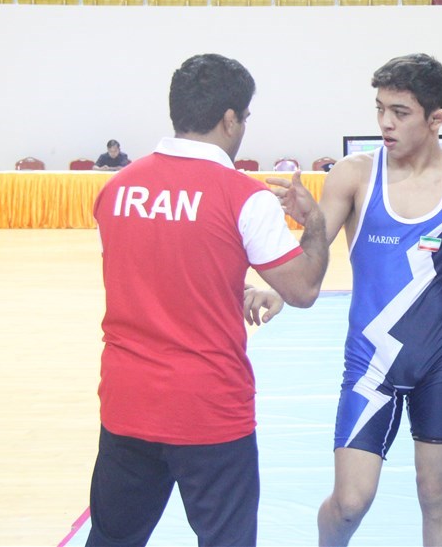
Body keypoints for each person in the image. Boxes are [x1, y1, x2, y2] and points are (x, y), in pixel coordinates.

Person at [86, 54, 330, 547]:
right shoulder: (244, 196)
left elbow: (151, 272)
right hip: (208, 408)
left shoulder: (117, 189)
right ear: (230, 119)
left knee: (112, 539)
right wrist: (316, 224)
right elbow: (302, 289)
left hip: (128, 401)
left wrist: (229, 289)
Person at [304, 53, 442, 547]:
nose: (385, 123)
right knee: (350, 502)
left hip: (439, 362)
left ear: (437, 119)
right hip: (370, 364)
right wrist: (273, 284)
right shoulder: (354, 175)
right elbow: (309, 261)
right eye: (379, 109)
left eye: (400, 112)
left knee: (437, 495)